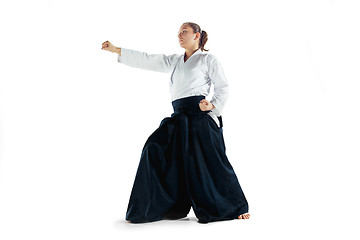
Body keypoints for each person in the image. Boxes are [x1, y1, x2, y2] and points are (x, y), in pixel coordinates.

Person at [101, 22, 250, 224]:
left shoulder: (208, 59)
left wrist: (212, 105)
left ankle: (235, 207)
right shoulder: (175, 61)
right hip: (179, 117)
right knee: (154, 148)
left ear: (197, 35)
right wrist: (117, 50)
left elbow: (223, 87)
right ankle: (160, 207)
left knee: (211, 163)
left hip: (199, 118)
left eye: (184, 32)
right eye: (178, 32)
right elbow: (148, 60)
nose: (179, 35)